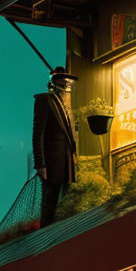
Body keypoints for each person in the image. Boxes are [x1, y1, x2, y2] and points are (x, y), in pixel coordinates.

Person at [32, 68, 78, 227]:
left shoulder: (66, 105)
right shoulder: (45, 100)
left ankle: (60, 227)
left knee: (64, 197)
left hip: (66, 159)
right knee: (49, 198)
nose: (67, 85)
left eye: (68, 82)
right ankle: (46, 230)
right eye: (63, 82)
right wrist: (40, 164)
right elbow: (38, 134)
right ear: (55, 83)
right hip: (52, 160)